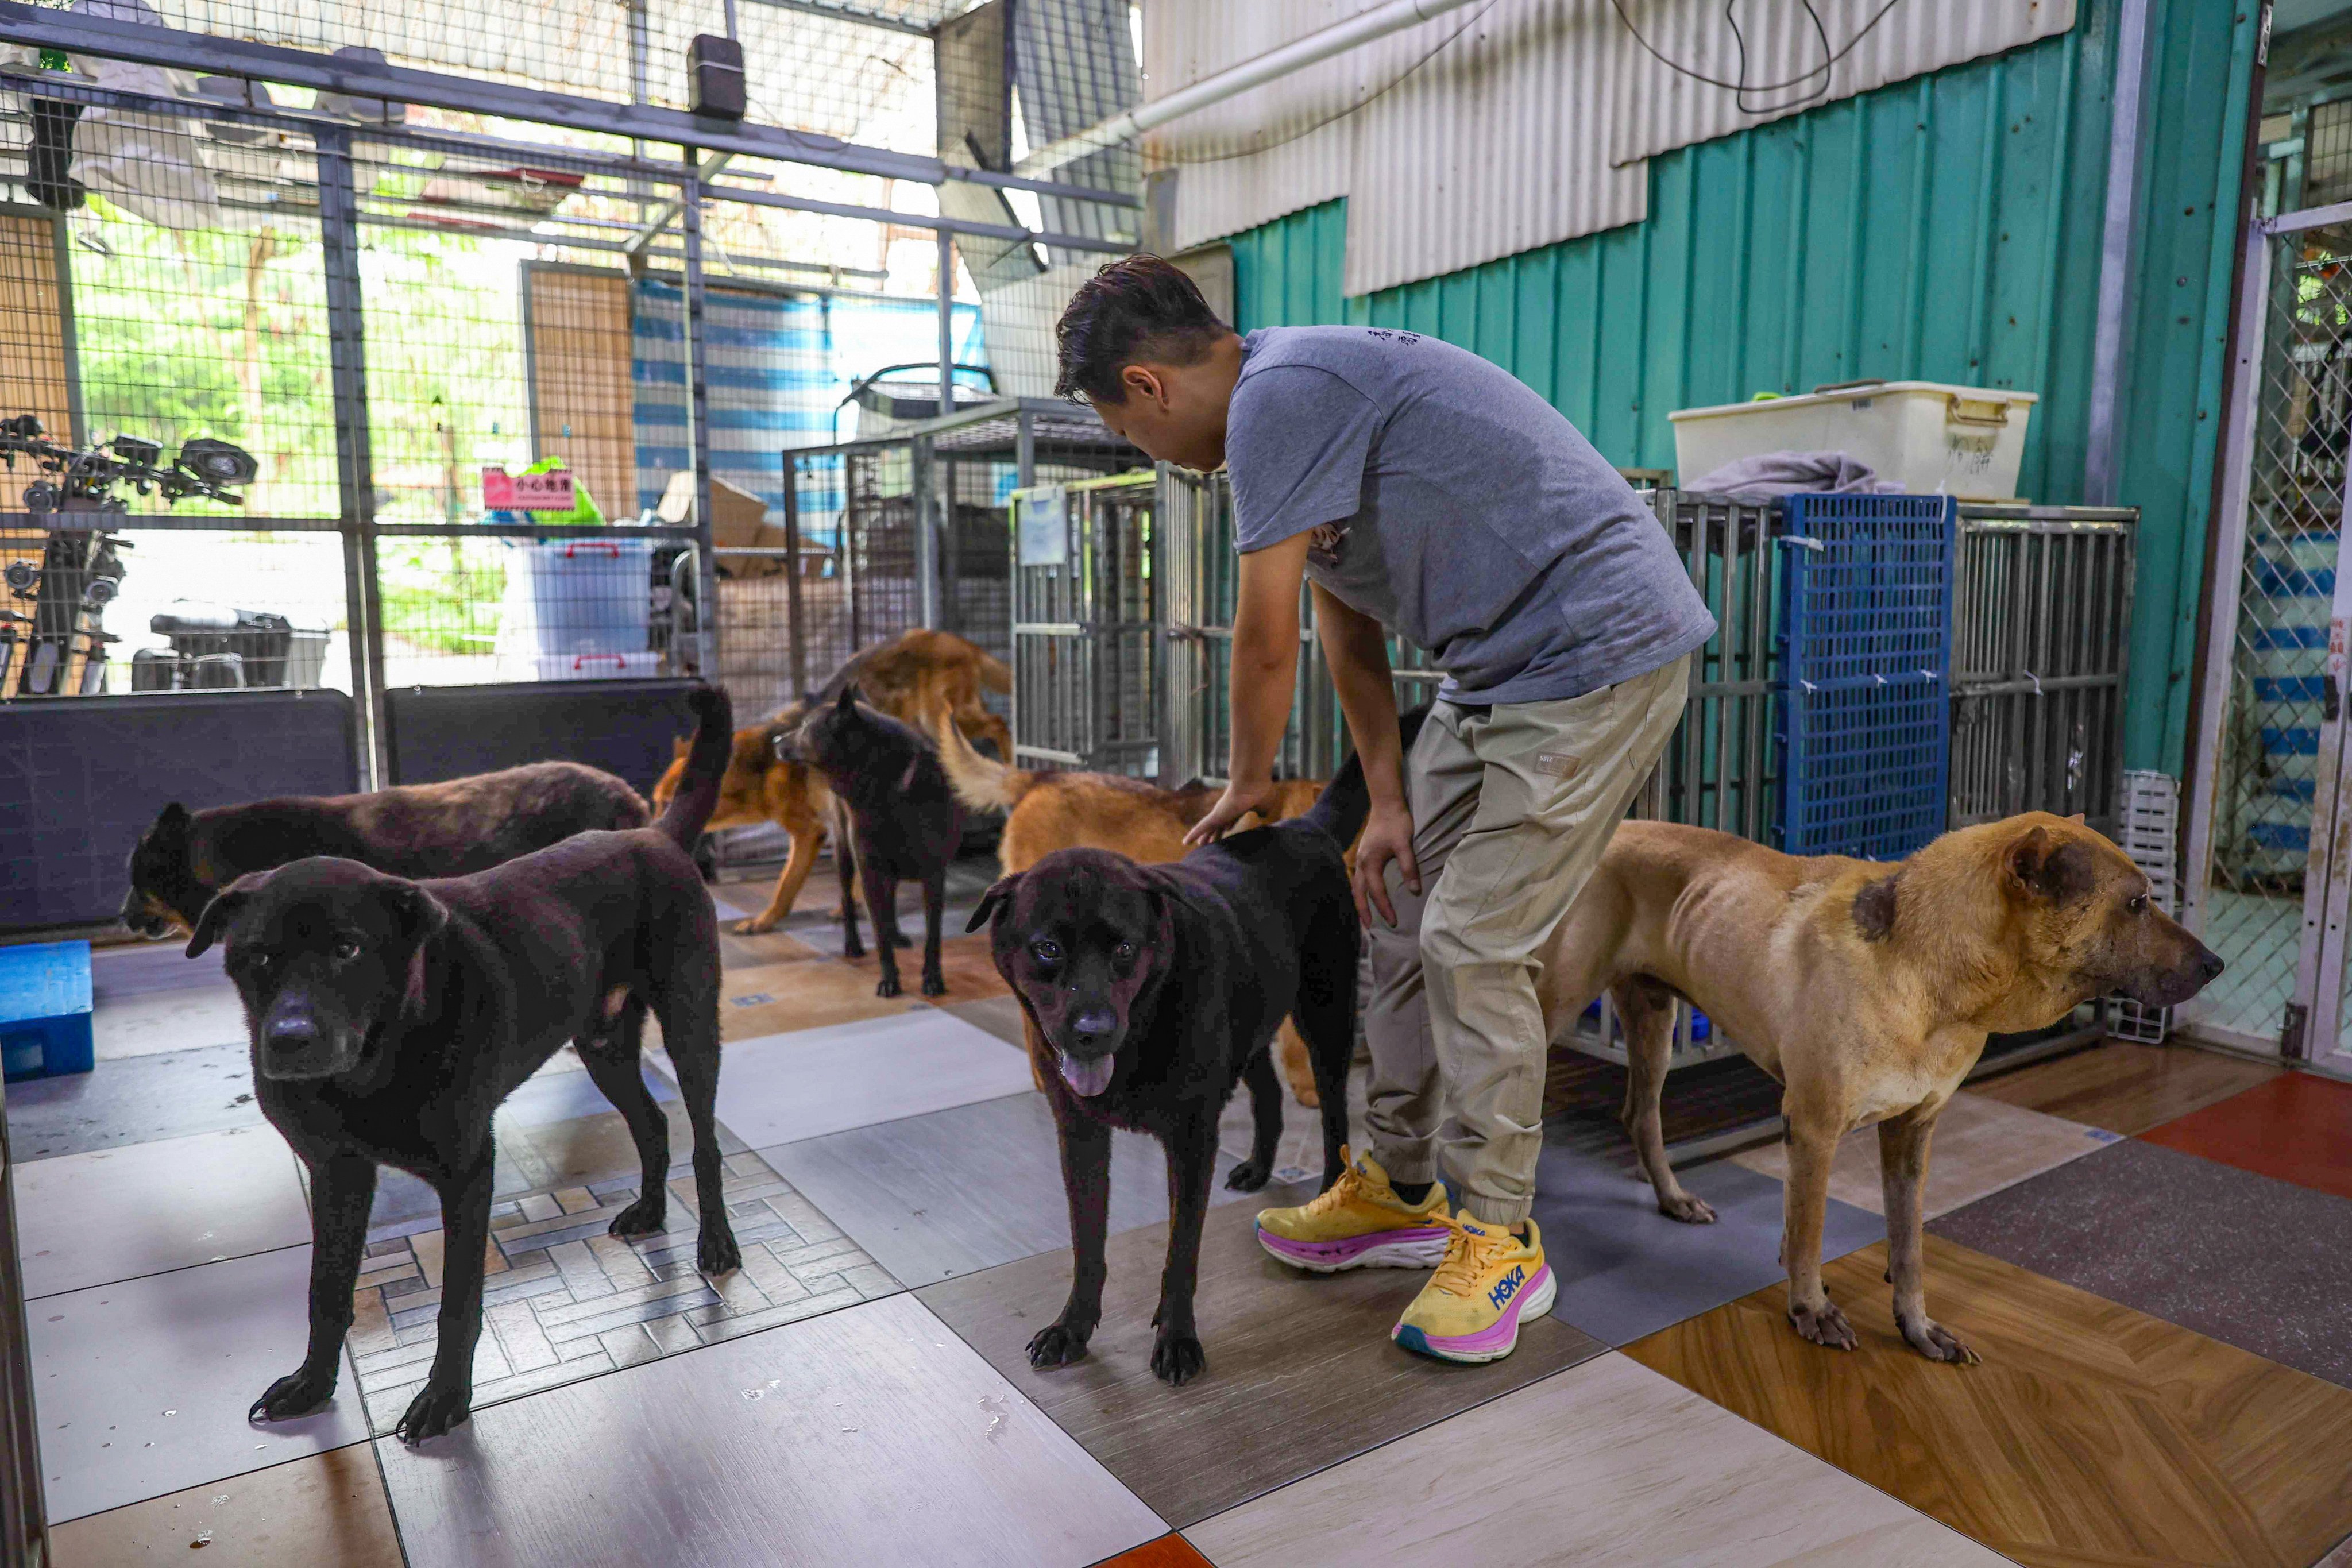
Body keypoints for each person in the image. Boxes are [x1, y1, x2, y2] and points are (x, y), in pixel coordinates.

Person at [1053, 256, 1716, 1363]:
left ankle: (1501, 1235)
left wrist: (1248, 780)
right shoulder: (1285, 417)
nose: (1145, 455)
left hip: (1601, 651)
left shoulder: (1281, 394)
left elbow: (1258, 643)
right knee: (1399, 899)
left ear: (1148, 385)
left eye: (1126, 434)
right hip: (1492, 669)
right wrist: (1389, 802)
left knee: (1475, 939)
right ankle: (1401, 1185)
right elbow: (1339, 631)